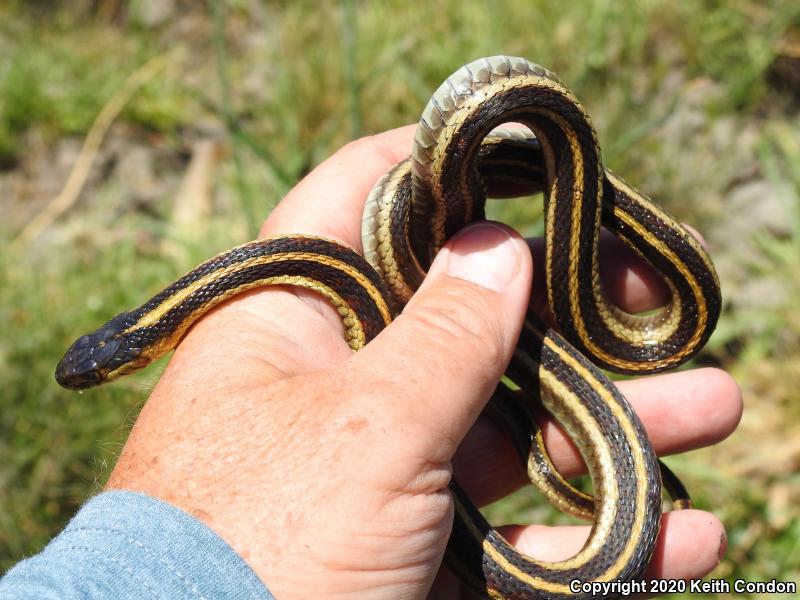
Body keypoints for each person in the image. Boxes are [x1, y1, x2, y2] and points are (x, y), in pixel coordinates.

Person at [1, 125, 741, 599]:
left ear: (137, 348)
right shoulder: (308, 271)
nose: (101, 377)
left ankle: (558, 156)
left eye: (100, 373)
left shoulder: (298, 268)